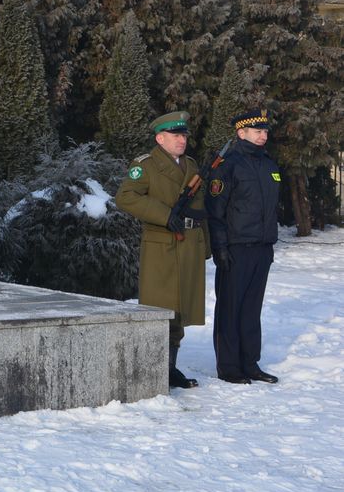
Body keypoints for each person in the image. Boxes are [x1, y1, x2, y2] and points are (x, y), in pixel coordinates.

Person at [115, 111, 209, 390]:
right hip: (161, 245)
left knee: (181, 309)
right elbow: (125, 197)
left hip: (189, 243)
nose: (182, 140)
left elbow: (201, 209)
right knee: (161, 308)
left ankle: (171, 369)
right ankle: (157, 368)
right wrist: (164, 214)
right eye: (176, 136)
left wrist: (207, 245)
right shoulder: (145, 166)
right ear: (160, 138)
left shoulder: (191, 166)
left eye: (184, 136)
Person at [205, 108, 281, 385]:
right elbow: (215, 211)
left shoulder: (269, 164)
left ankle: (250, 363)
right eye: (257, 131)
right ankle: (229, 367)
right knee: (230, 307)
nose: (263, 135)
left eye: (265, 131)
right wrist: (220, 248)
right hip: (235, 249)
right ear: (241, 133)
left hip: (262, 247)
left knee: (251, 308)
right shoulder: (227, 165)